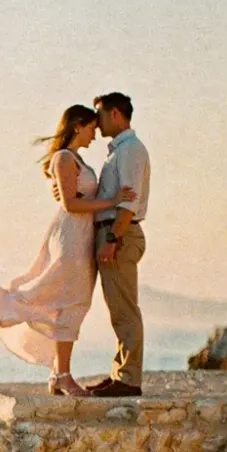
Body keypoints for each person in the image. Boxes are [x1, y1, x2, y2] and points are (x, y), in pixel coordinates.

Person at [0, 105, 135, 396]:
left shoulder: (74, 159)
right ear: (78, 126)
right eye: (92, 127)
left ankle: (58, 376)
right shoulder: (64, 158)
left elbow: (73, 196)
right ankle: (64, 376)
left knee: (71, 303)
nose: (95, 134)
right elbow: (70, 204)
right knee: (70, 302)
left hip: (81, 237)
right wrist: (113, 201)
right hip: (71, 238)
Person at [83, 92, 150, 397]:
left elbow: (129, 202)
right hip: (113, 232)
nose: (95, 123)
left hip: (119, 233)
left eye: (99, 115)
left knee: (125, 310)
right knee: (118, 309)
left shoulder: (130, 150)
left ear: (115, 114)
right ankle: (120, 373)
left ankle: (129, 379)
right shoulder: (119, 151)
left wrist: (112, 239)